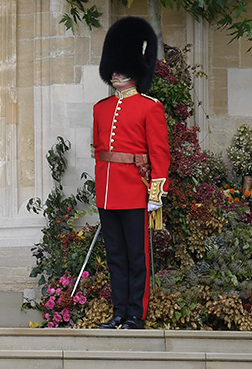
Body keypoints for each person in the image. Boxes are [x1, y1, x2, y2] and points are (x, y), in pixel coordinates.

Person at [94, 16, 170, 330]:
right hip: (108, 193)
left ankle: (135, 315)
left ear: (133, 70)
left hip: (136, 192)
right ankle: (119, 313)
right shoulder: (101, 107)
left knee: (137, 258)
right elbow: (99, 152)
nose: (115, 72)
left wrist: (156, 195)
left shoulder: (150, 107)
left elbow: (160, 155)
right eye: (112, 67)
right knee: (116, 257)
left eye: (120, 67)